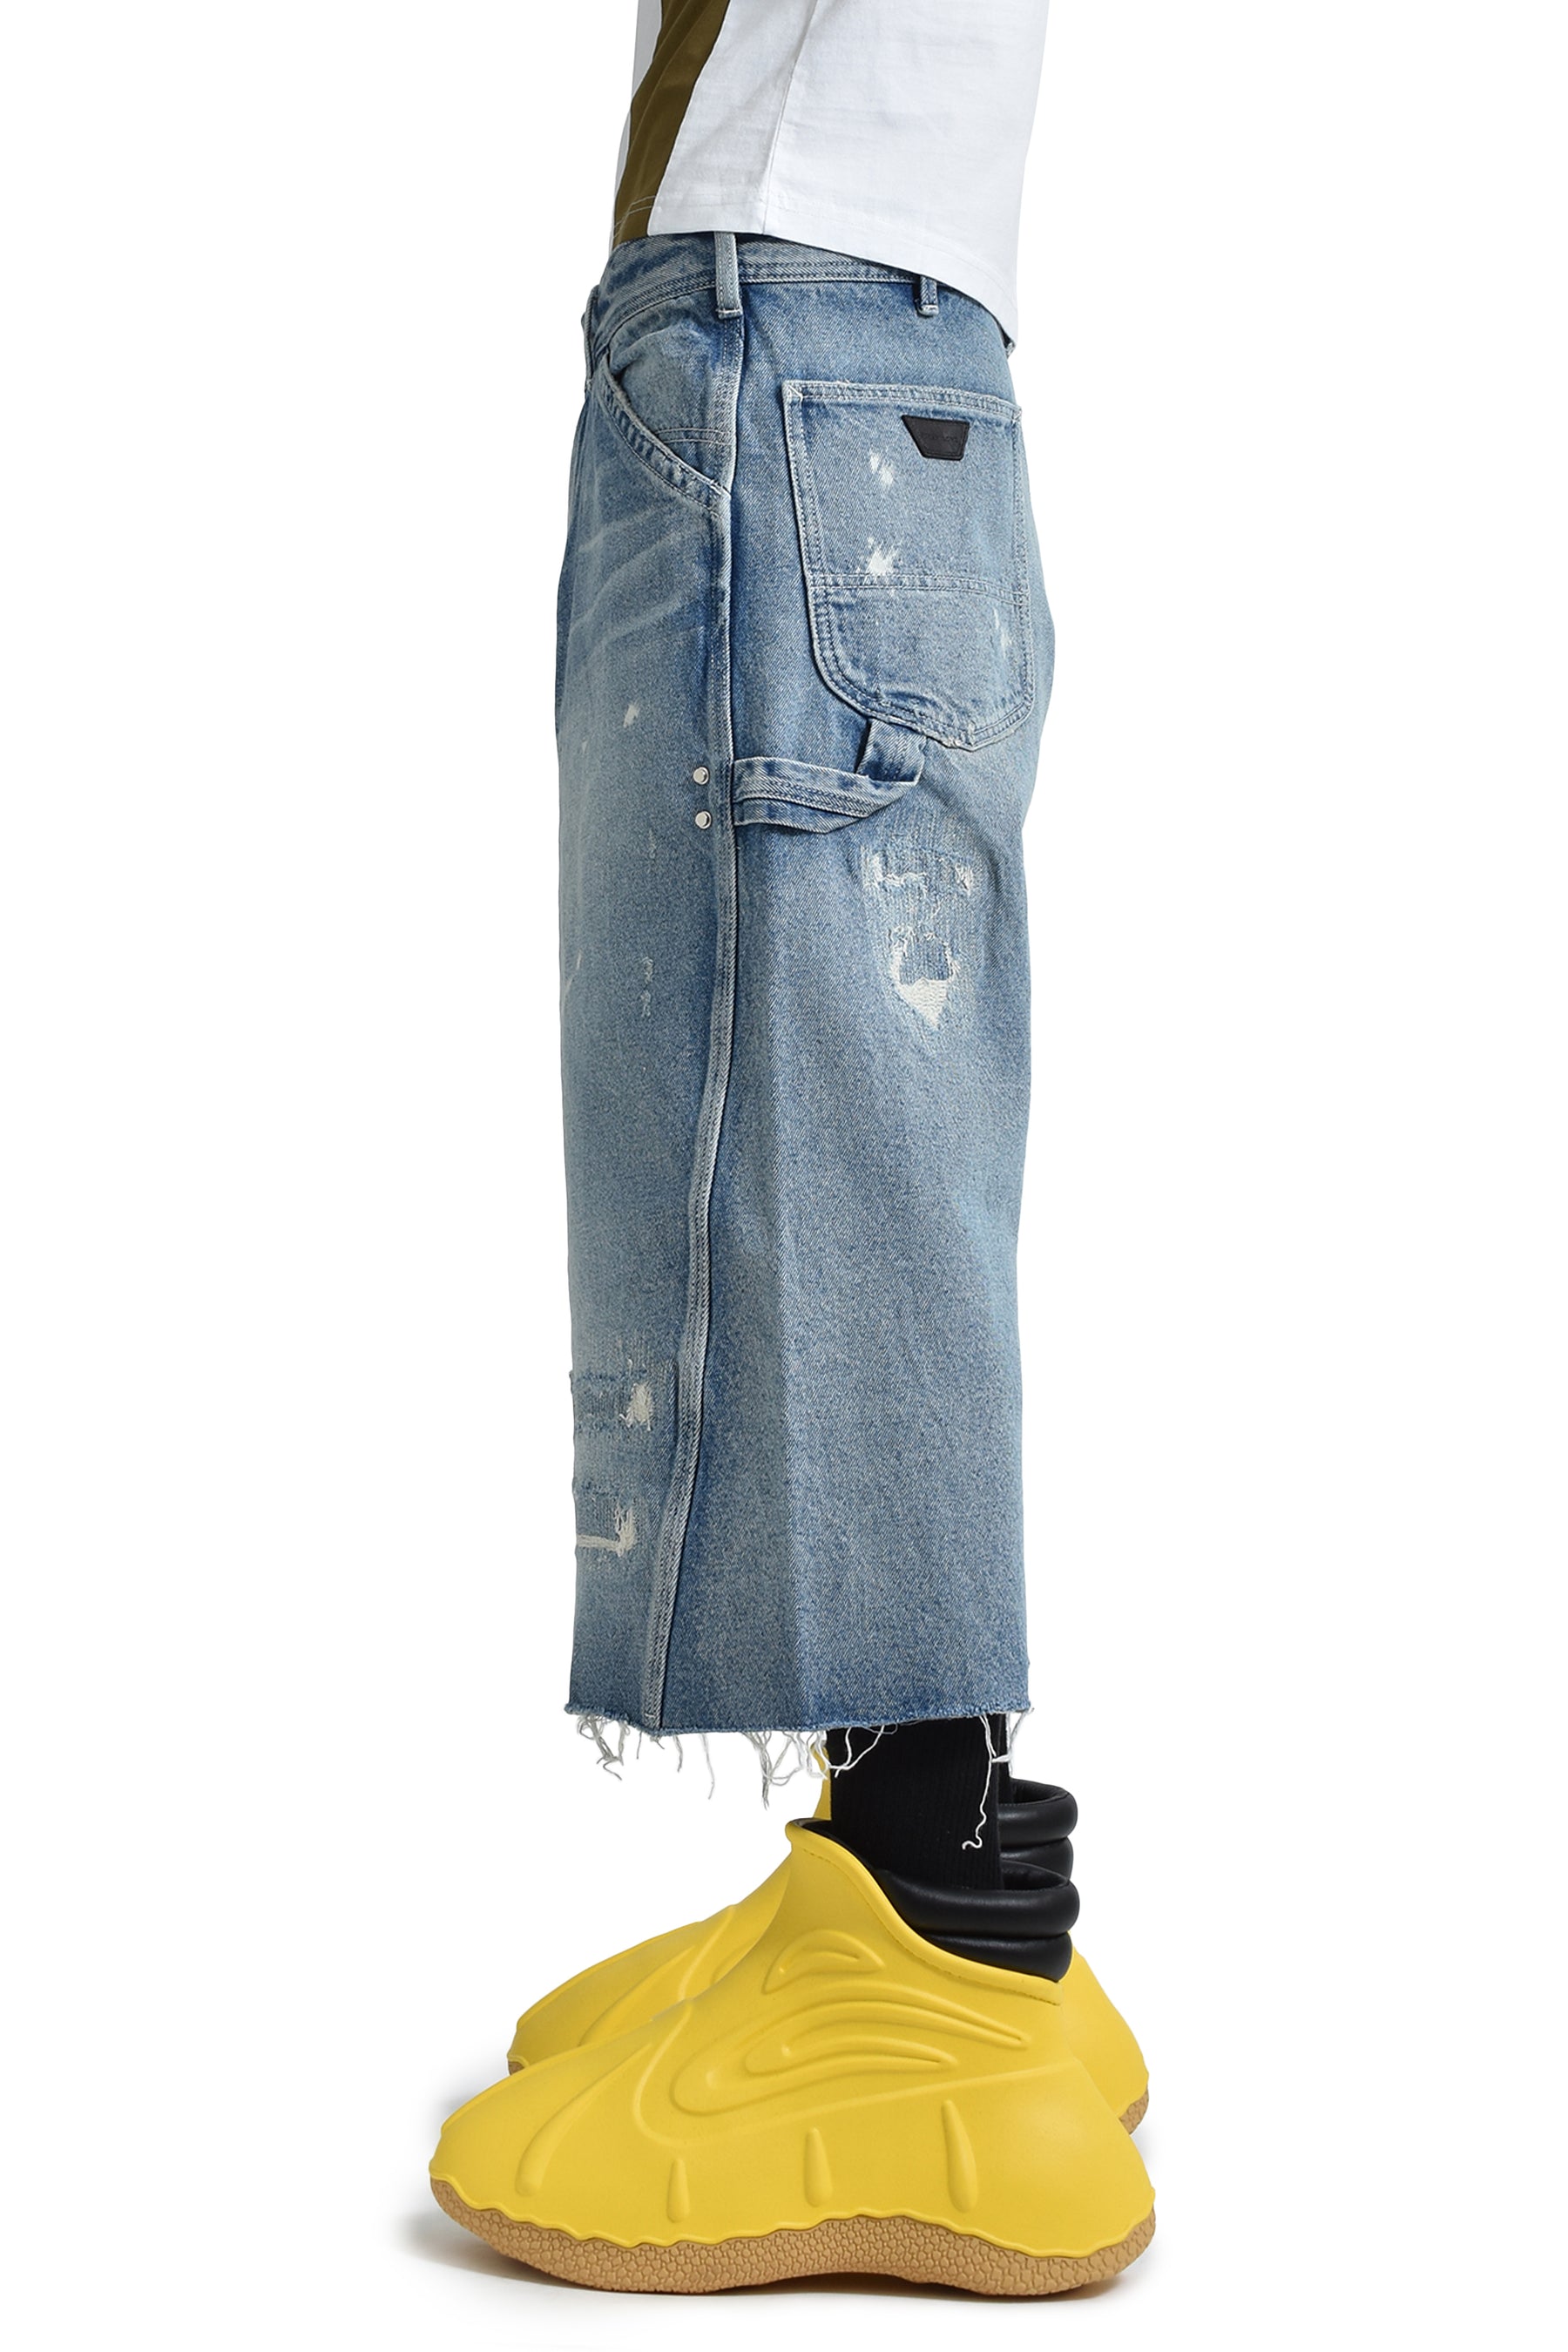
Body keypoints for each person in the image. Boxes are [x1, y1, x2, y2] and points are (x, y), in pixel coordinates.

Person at [430, 2, 1154, 2294]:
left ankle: (930, 1943)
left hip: (788, 330)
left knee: (788, 1102)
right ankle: (912, 1837)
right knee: (846, 1100)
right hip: (866, 346)